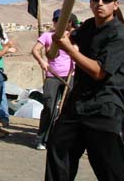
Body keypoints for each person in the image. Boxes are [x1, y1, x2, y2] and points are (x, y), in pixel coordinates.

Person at [45, 0, 124, 181]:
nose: (100, 3)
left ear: (115, 4)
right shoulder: (87, 26)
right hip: (79, 100)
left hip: (105, 104)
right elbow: (71, 37)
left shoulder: (119, 35)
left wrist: (69, 49)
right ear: (91, 3)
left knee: (107, 163)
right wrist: (61, 40)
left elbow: (99, 72)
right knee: (59, 146)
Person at [31, 9, 78, 150]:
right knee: (49, 107)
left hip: (69, 75)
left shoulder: (72, 36)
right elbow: (35, 50)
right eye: (57, 20)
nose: (59, 23)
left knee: (68, 108)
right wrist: (42, 62)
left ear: (68, 22)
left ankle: (63, 139)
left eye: (63, 20)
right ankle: (41, 139)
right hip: (52, 75)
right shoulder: (47, 36)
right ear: (54, 21)